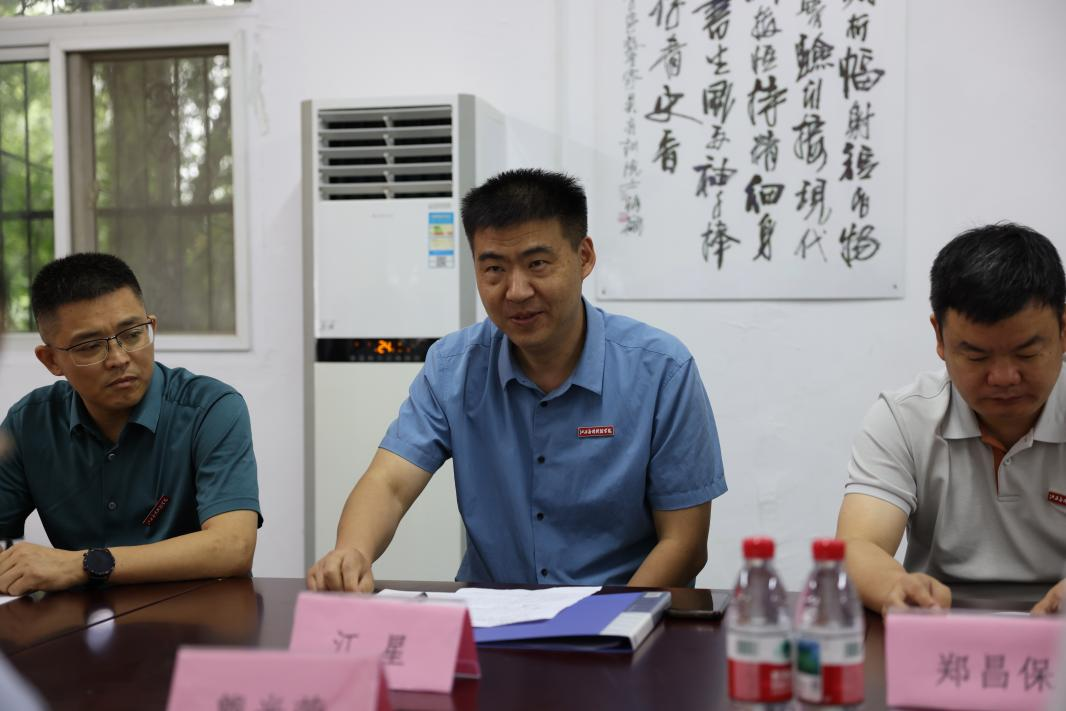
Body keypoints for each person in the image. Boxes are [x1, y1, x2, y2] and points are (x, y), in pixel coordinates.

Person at [309, 169, 726, 591]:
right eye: (494, 269)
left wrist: (605, 620)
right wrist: (352, 550)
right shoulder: (453, 367)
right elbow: (389, 483)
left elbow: (684, 543)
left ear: (583, 257)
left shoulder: (661, 370)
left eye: (537, 264)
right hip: (491, 617)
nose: (516, 291)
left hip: (624, 616)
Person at [837, 223, 1066, 615]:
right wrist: (897, 588)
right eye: (977, 356)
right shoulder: (904, 418)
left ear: (1063, 330)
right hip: (938, 622)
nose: (1004, 377)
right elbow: (858, 546)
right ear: (939, 338)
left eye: (1027, 354)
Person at [0, 253, 262, 595]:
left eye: (133, 334)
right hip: (78, 622)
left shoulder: (210, 409)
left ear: (151, 327)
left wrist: (83, 564)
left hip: (195, 615)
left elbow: (233, 546)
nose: (119, 358)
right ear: (51, 360)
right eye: (90, 346)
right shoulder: (30, 423)